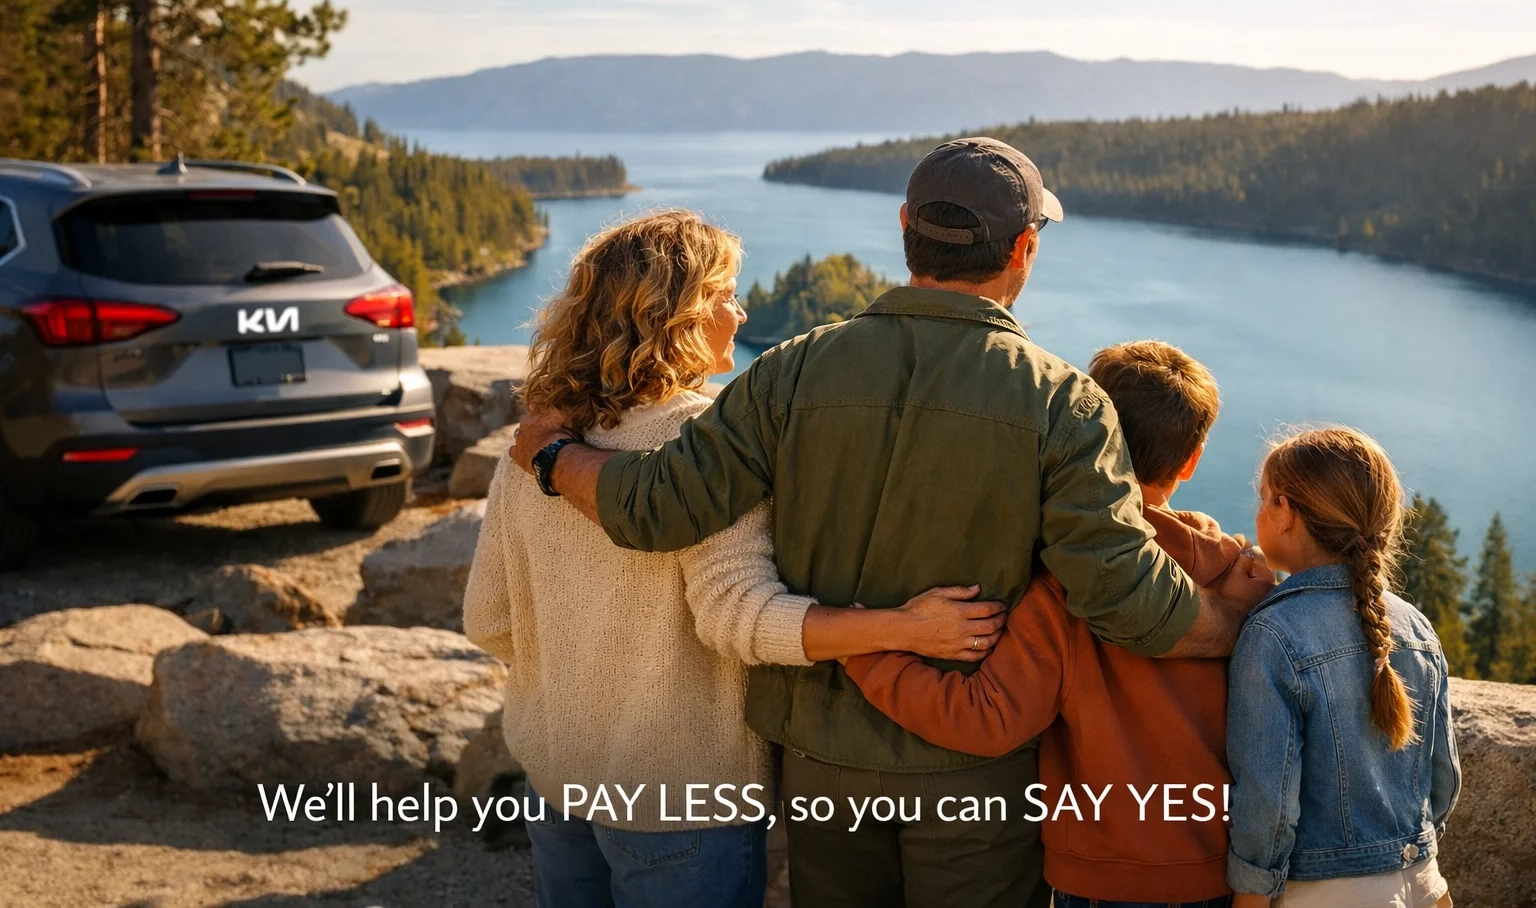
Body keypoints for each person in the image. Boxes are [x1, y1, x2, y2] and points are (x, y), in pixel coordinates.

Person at [511, 139, 1269, 908]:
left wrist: (550, 457)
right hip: (973, 778)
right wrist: (1238, 621)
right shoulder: (1062, 405)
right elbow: (1125, 598)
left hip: (823, 761)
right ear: (1024, 247)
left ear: (907, 226)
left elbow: (657, 506)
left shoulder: (793, 369)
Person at [462, 211, 1007, 908]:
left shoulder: (534, 445)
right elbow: (740, 617)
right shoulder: (710, 441)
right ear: (676, 314)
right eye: (724, 296)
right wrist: (905, 626)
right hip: (683, 802)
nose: (739, 311)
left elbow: (489, 620)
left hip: (558, 784)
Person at [844, 340, 1272, 908]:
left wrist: (865, 652)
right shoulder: (1239, 577)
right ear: (1190, 461)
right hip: (1216, 870)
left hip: (1104, 876)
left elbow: (987, 717)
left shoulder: (1062, 588)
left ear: (1081, 436)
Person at [1227, 427, 1461, 908]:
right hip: (1423, 883)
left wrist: (1249, 896)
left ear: (1286, 512)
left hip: (1318, 893)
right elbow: (1444, 778)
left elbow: (1267, 804)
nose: (1258, 512)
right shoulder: (1416, 628)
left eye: (1266, 498)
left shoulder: (1273, 633)